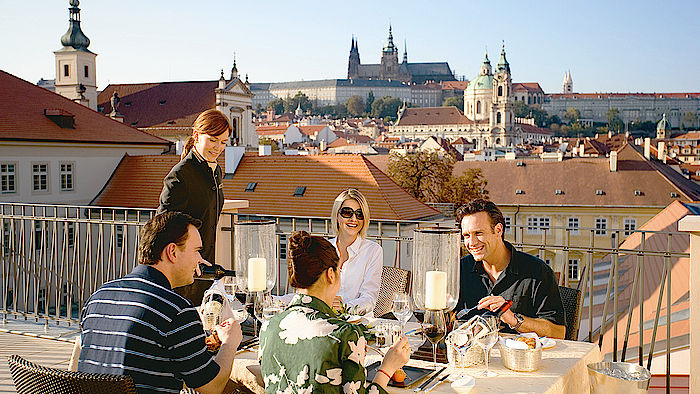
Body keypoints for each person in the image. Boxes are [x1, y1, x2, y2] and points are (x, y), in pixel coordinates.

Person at [78, 212, 243, 394]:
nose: (200, 260)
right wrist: (230, 342)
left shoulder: (98, 296)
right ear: (172, 252)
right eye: (196, 251)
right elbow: (212, 387)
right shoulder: (177, 311)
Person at [260, 231, 410, 393]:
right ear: (331, 275)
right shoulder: (345, 334)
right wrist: (388, 367)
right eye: (339, 271)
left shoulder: (269, 327)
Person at [455, 199, 566, 339]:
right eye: (466, 235)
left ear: (498, 230)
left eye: (478, 233)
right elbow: (450, 322)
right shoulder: (460, 269)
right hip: (473, 356)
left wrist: (513, 319)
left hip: (521, 358)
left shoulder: (538, 272)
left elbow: (558, 333)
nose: (471, 243)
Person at [157, 109, 231, 305]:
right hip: (182, 269)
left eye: (223, 142)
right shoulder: (181, 174)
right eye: (213, 140)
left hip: (203, 267)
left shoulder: (214, 170)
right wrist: (190, 255)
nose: (218, 147)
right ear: (197, 136)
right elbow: (163, 225)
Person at [328, 188, 383, 315]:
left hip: (359, 324)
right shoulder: (325, 248)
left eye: (359, 214)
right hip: (327, 318)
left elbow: (369, 298)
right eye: (347, 212)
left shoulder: (373, 251)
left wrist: (345, 307)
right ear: (337, 215)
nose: (354, 219)